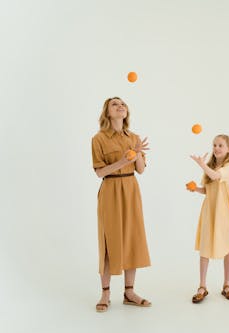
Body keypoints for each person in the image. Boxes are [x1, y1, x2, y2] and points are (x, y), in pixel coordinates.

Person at [91, 97, 151, 312]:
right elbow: (99, 172)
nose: (120, 106)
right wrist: (123, 161)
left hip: (131, 189)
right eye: (115, 104)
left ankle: (129, 292)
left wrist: (137, 154)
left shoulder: (133, 137)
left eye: (123, 104)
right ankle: (105, 293)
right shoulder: (98, 139)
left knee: (132, 238)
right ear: (107, 112)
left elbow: (141, 170)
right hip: (110, 190)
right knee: (109, 240)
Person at [187, 134, 229, 303]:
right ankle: (202, 286)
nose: (216, 148)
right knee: (205, 246)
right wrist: (196, 189)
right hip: (210, 211)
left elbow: (216, 176)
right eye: (214, 145)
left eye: (221, 145)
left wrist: (201, 164)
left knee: (227, 247)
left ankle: (227, 285)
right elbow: (208, 189)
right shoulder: (210, 167)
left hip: (225, 212)